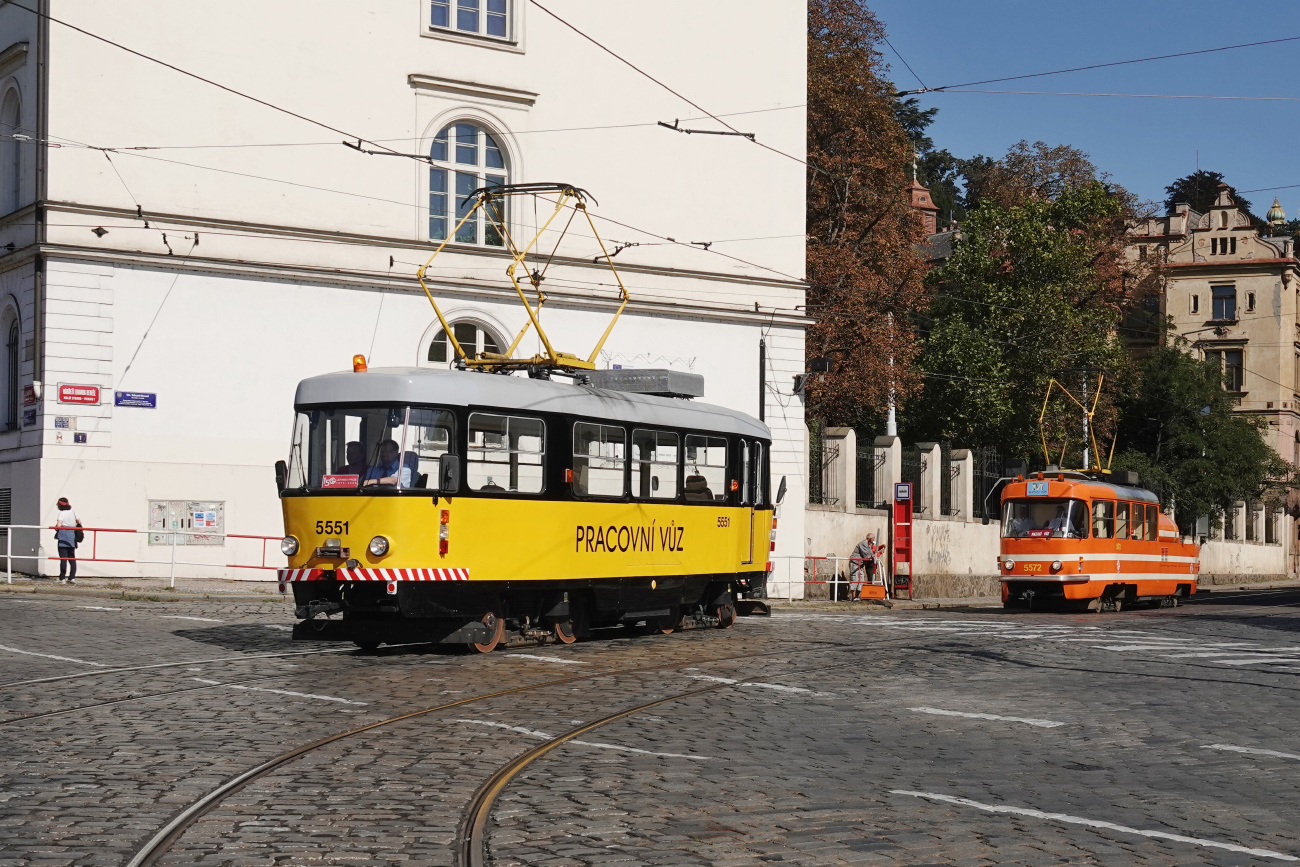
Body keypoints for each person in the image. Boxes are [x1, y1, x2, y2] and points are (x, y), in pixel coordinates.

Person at [53, 497, 80, 584]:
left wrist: (56, 527)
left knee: (63, 558)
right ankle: (72, 578)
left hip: (63, 536)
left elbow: (58, 525)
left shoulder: (61, 513)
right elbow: (78, 521)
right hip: (72, 536)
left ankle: (62, 578)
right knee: (72, 558)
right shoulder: (72, 512)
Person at [849, 533, 879, 599]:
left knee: (861, 580)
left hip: (860, 565)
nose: (873, 541)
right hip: (855, 563)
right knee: (854, 579)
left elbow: (871, 554)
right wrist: (873, 555)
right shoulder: (863, 543)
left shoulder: (868, 546)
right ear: (870, 538)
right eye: (873, 539)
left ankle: (857, 596)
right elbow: (867, 555)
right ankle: (853, 597)